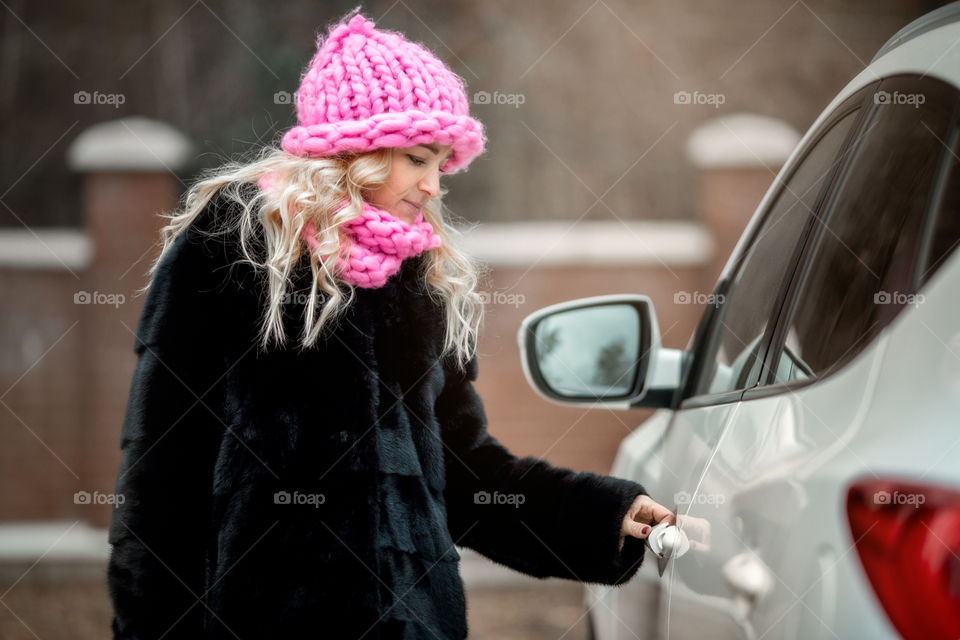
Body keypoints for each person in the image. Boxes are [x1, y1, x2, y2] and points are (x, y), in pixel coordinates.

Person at [106, 9, 674, 639]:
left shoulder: (420, 283)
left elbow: (465, 473)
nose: (434, 186)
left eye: (442, 165)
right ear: (356, 152)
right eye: (418, 158)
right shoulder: (232, 250)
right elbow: (160, 482)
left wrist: (600, 514)